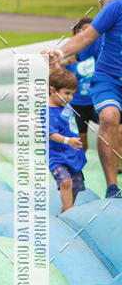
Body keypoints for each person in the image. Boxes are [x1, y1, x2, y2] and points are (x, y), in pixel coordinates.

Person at [45, 0, 121, 197]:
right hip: (103, 85)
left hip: (89, 99)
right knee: (108, 118)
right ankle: (112, 186)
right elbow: (83, 41)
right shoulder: (115, 9)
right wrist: (59, 54)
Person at [46, 68, 86, 212]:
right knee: (66, 183)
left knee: (76, 186)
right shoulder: (47, 112)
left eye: (72, 94)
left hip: (72, 154)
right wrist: (67, 141)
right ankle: (68, 211)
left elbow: (59, 76)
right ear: (53, 91)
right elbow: (50, 134)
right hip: (57, 156)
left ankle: (67, 209)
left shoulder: (65, 104)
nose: (70, 98)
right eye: (67, 93)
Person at [62, 17, 103, 152]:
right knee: (81, 141)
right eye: (83, 31)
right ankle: (77, 168)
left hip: (97, 100)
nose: (88, 34)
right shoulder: (71, 54)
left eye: (90, 30)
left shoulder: (100, 49)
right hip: (78, 105)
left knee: (113, 130)